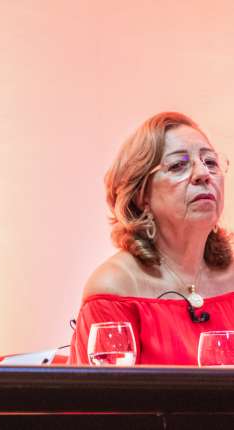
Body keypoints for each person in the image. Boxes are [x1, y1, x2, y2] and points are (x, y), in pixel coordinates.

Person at [70, 111, 234, 365]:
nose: (203, 174)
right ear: (141, 196)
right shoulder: (115, 288)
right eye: (178, 165)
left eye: (210, 162)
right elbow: (104, 390)